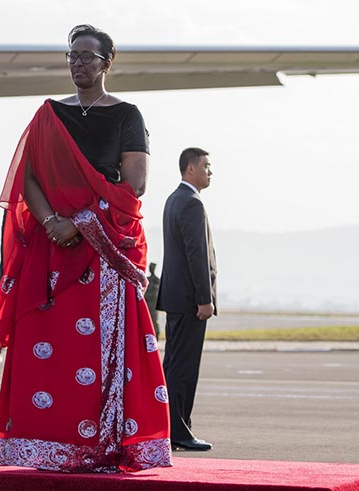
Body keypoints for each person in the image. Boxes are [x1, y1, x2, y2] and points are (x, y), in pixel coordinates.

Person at [0, 24, 172, 473]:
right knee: (48, 345)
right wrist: (53, 222)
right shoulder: (49, 113)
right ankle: (49, 444)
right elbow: (27, 178)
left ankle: (105, 445)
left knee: (97, 350)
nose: (78, 64)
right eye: (72, 55)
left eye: (88, 57)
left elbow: (135, 184)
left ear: (107, 62)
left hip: (104, 245)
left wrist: (82, 222)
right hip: (52, 247)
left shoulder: (126, 114)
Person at [156, 147, 216, 452]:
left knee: (174, 365)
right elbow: (197, 255)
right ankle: (178, 431)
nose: (210, 172)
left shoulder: (173, 199)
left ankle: (171, 427)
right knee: (183, 368)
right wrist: (205, 299)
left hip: (176, 297)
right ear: (190, 169)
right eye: (206, 166)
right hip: (191, 300)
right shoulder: (191, 203)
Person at [143, 262, 161, 339]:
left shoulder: (157, 280)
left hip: (153, 304)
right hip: (147, 303)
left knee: (154, 320)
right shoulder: (147, 279)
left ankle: (156, 337)